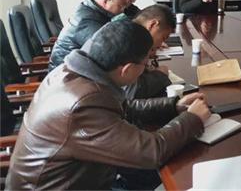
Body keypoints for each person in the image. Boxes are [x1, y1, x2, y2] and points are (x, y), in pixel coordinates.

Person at [7, 20, 211, 190]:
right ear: (127, 69)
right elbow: (151, 152)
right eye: (146, 63)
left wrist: (173, 105)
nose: (147, 67)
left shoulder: (74, 73)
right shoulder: (83, 103)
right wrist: (192, 119)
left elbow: (123, 108)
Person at [49, 0, 128, 70]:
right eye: (121, 6)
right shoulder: (87, 21)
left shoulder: (91, 10)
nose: (123, 10)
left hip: (76, 66)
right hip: (65, 72)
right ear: (106, 1)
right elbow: (107, 50)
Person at [122, 4, 176, 99]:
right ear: (153, 25)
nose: (161, 44)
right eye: (163, 37)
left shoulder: (128, 30)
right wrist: (160, 74)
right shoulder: (128, 41)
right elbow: (131, 92)